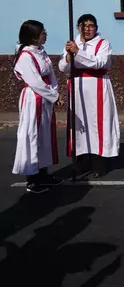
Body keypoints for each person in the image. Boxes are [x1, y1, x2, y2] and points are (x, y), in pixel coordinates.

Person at [59, 14, 120, 178]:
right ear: (78, 27)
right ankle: (82, 160)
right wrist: (69, 56)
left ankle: (99, 162)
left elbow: (100, 62)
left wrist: (78, 53)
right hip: (77, 86)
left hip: (96, 85)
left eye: (91, 25)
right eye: (84, 25)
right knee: (80, 125)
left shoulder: (103, 44)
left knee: (97, 123)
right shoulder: (72, 43)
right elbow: (62, 67)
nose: (87, 29)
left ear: (96, 28)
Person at [13, 20, 64, 193]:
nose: (46, 33)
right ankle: (32, 178)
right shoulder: (26, 56)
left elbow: (50, 75)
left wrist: (55, 92)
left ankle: (43, 172)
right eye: (42, 32)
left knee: (44, 136)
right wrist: (54, 95)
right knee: (32, 135)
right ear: (33, 37)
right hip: (33, 99)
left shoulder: (41, 52)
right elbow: (35, 82)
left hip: (45, 99)